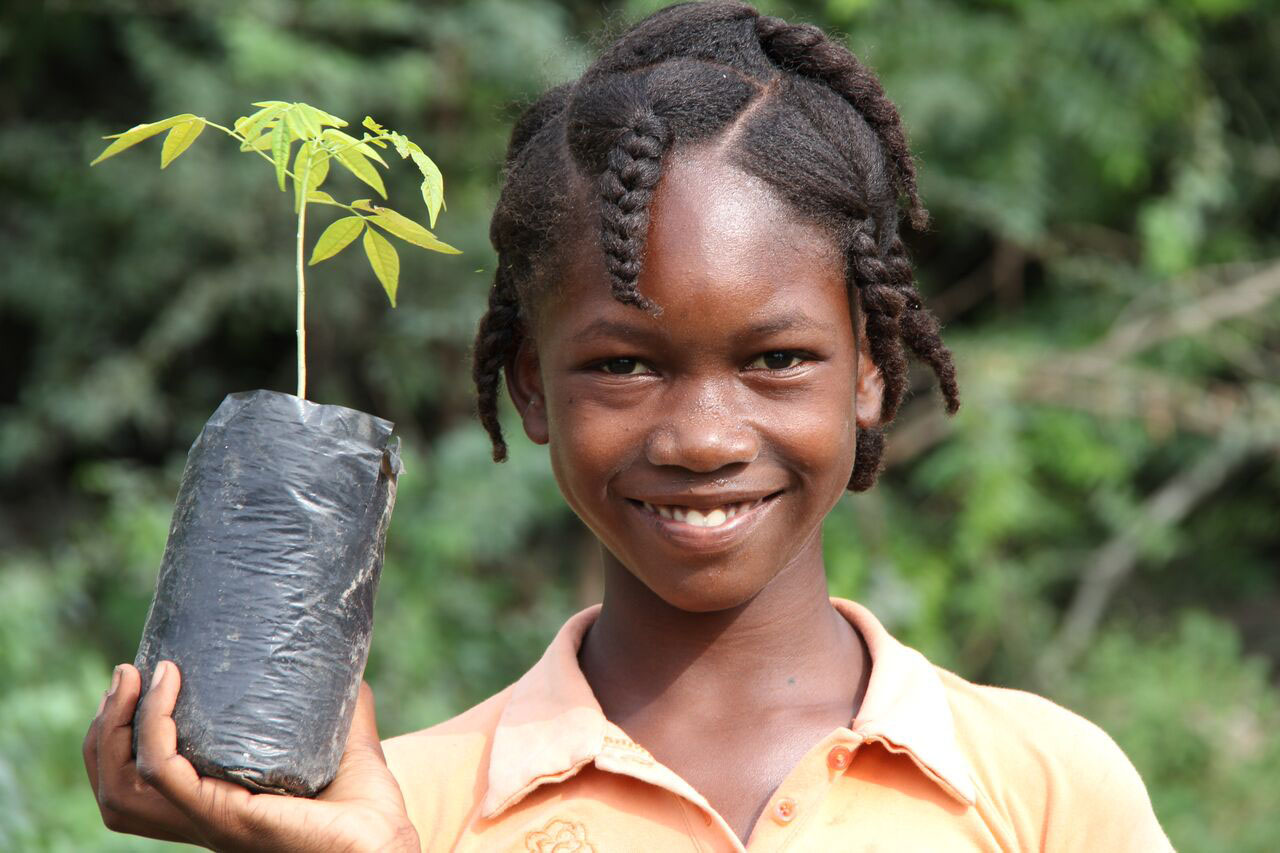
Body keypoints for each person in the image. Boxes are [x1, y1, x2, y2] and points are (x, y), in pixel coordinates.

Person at [82, 2, 1173, 850]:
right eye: (624, 365)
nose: (701, 435)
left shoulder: (1037, 784)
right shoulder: (401, 807)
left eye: (774, 359)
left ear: (874, 371)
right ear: (530, 389)